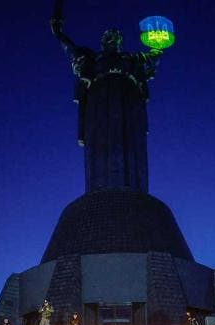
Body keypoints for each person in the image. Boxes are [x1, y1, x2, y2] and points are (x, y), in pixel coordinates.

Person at [50, 16, 163, 193]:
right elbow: (70, 48)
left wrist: (159, 45)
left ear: (120, 42)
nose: (111, 38)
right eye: (107, 36)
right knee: (101, 140)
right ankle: (100, 190)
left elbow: (153, 57)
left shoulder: (132, 58)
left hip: (128, 102)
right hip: (99, 101)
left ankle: (132, 190)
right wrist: (58, 32)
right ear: (102, 42)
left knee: (130, 141)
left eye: (115, 36)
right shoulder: (93, 58)